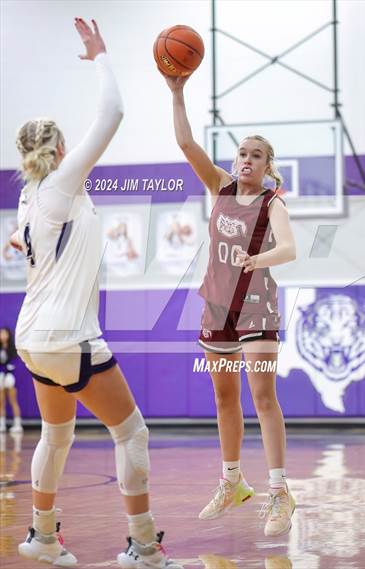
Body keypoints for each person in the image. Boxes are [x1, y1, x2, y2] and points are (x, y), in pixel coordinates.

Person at [11, 18, 183, 569]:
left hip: (33, 338)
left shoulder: (30, 198)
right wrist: (102, 56)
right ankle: (145, 548)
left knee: (56, 435)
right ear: (61, 148)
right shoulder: (63, 183)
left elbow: (21, 239)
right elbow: (112, 114)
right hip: (67, 335)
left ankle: (42, 537)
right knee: (132, 432)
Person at [163, 73, 297, 537]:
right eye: (242, 152)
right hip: (217, 307)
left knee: (263, 397)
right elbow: (186, 143)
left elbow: (289, 249)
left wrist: (257, 259)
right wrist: (177, 92)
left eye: (256, 155)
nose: (246, 159)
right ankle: (233, 482)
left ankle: (279, 491)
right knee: (224, 398)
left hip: (258, 305)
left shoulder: (272, 202)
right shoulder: (219, 186)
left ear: (267, 166)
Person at [0, 327, 23, 433]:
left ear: (8, 335)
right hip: (1, 376)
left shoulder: (12, 348)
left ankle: (18, 425)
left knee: (13, 400)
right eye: (1, 334)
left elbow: (15, 363)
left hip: (10, 377)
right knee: (1, 402)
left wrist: (9, 371)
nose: (3, 336)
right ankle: (2, 425)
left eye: (5, 334)